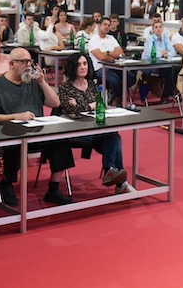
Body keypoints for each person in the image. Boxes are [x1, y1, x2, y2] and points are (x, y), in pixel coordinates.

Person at [0, 47, 74, 207]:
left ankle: (53, 188)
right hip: (10, 133)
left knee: (61, 140)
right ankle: (6, 182)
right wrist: (15, 116)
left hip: (37, 131)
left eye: (30, 62)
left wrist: (42, 81)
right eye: (23, 62)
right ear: (12, 64)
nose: (28, 65)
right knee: (16, 144)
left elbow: (55, 103)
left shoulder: (33, 82)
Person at [57, 52, 133, 193]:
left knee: (113, 135)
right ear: (72, 67)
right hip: (75, 131)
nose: (83, 67)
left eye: (85, 63)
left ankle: (110, 171)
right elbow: (70, 110)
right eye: (79, 64)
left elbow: (99, 105)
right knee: (113, 138)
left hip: (95, 128)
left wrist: (83, 105)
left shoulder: (92, 85)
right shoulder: (65, 88)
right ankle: (119, 181)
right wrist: (90, 106)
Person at [85, 16, 125, 100]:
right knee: (115, 80)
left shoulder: (111, 38)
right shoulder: (93, 40)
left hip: (115, 65)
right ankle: (118, 98)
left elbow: (121, 53)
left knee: (130, 77)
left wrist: (107, 53)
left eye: (109, 25)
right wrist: (113, 54)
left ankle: (114, 93)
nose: (107, 27)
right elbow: (101, 57)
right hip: (100, 68)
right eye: (105, 24)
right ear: (99, 25)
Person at [138, 18, 176, 102]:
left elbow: (173, 51)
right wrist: (162, 53)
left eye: (160, 27)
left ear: (162, 29)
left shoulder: (165, 38)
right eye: (156, 27)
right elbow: (150, 52)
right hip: (148, 64)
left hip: (162, 63)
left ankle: (166, 95)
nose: (158, 29)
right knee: (168, 72)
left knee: (171, 71)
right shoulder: (150, 39)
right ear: (153, 29)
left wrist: (167, 54)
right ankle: (166, 95)